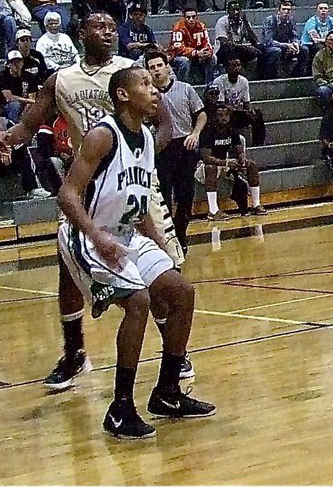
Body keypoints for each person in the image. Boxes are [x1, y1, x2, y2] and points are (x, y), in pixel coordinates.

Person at [0, 13, 186, 391]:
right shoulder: (61, 80)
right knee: (68, 267)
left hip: (133, 183)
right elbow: (28, 126)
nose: (108, 31)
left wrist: (139, 156)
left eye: (112, 26)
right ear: (81, 34)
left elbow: (164, 125)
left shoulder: (132, 70)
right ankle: (75, 352)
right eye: (100, 26)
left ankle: (174, 354)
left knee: (166, 274)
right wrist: (7, 137)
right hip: (88, 183)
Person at [57, 67, 216, 439]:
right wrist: (96, 235)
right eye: (145, 84)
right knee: (139, 301)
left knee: (181, 292)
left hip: (127, 233)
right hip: (89, 235)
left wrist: (159, 244)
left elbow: (138, 201)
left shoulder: (145, 137)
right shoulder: (102, 136)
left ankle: (168, 392)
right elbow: (67, 195)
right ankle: (120, 409)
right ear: (123, 95)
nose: (154, 89)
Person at [146, 49, 206, 254]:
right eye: (151, 67)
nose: (156, 70)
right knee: (162, 196)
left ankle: (181, 234)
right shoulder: (147, 95)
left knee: (185, 195)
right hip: (161, 148)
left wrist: (195, 134)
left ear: (167, 67)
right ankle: (165, 239)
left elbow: (201, 114)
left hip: (185, 144)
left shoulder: (185, 89)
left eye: (159, 66)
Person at [197, 104, 267, 220]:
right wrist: (226, 163)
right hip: (203, 166)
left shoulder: (231, 130)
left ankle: (256, 205)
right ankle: (213, 211)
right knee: (210, 167)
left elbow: (238, 148)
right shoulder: (208, 131)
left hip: (224, 163)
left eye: (226, 115)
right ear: (215, 117)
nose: (223, 117)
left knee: (252, 165)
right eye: (220, 115)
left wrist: (242, 158)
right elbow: (206, 158)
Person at [211, 58, 266, 146]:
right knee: (225, 114)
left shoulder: (244, 81)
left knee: (257, 114)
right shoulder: (219, 81)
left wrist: (249, 111)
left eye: (238, 65)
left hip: (236, 112)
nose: (236, 68)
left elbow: (246, 103)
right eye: (233, 66)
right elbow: (220, 105)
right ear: (227, 68)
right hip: (222, 114)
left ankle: (258, 143)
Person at [168, 7, 217, 86]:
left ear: (197, 17)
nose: (191, 19)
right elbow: (177, 47)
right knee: (185, 61)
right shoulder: (178, 27)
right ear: (184, 18)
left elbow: (207, 43)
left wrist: (207, 52)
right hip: (178, 56)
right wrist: (195, 52)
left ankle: (209, 85)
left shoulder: (201, 26)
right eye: (188, 17)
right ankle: (184, 86)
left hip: (197, 54)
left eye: (193, 17)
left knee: (213, 58)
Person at [261, 2, 309, 79]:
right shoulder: (270, 20)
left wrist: (295, 43)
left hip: (285, 47)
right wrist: (286, 45)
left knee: (304, 49)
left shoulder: (291, 21)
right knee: (276, 51)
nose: (286, 12)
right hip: (269, 48)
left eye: (288, 10)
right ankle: (271, 77)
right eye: (284, 9)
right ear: (279, 11)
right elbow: (268, 41)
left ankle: (298, 74)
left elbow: (294, 36)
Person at [214, 1, 263, 73]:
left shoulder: (243, 22)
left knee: (258, 52)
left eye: (238, 10)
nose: (236, 12)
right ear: (228, 11)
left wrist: (246, 23)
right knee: (232, 52)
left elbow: (254, 41)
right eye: (233, 10)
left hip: (238, 50)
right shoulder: (222, 22)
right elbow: (225, 43)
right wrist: (246, 48)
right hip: (222, 51)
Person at [0, 50, 39, 122]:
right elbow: (9, 98)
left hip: (25, 105)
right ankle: (13, 128)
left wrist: (26, 108)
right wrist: (27, 100)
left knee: (33, 107)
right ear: (8, 64)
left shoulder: (29, 76)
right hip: (6, 106)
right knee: (15, 105)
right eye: (13, 62)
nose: (17, 64)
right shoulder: (3, 76)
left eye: (19, 61)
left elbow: (32, 97)